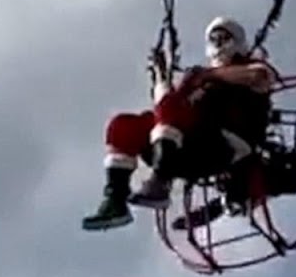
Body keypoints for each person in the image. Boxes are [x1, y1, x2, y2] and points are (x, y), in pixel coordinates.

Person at [81, 16, 276, 231]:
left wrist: (207, 76)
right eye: (214, 39)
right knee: (124, 125)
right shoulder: (196, 78)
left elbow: (258, 76)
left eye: (224, 38)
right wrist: (161, 78)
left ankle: (161, 179)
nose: (219, 44)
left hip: (223, 147)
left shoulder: (250, 68)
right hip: (184, 146)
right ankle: (116, 199)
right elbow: (167, 107)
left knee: (173, 109)